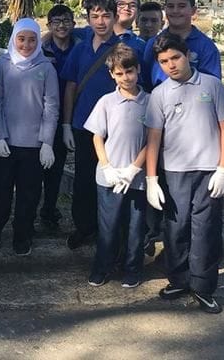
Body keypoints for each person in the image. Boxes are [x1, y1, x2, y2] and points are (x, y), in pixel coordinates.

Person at [145, 33, 224, 314]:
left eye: (175, 57)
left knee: (206, 231)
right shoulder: (160, 94)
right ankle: (179, 280)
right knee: (176, 229)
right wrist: (151, 179)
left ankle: (203, 287)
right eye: (164, 61)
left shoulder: (211, 85)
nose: (171, 65)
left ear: (187, 55)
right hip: (175, 172)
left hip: (209, 170)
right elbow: (153, 138)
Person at [0, 18, 59, 256]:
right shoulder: (2, 65)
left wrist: (47, 142)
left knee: (29, 193)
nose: (26, 44)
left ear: (38, 41)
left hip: (34, 146)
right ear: (14, 38)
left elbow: (51, 106)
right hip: (6, 144)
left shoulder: (46, 68)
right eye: (21, 39)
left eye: (32, 39)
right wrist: (0, 136)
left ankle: (22, 234)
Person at [61, 0, 126, 250]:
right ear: (87, 19)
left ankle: (108, 229)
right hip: (83, 125)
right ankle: (84, 226)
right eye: (95, 16)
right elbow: (70, 86)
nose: (100, 21)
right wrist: (66, 124)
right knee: (84, 179)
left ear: (115, 17)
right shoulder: (80, 48)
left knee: (112, 179)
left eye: (106, 15)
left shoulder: (123, 49)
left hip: (114, 129)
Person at [83, 44, 148, 288]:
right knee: (108, 227)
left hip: (137, 178)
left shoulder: (150, 102)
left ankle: (132, 270)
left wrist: (133, 168)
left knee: (134, 228)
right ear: (112, 75)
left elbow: (152, 141)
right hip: (109, 177)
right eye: (119, 74)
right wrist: (107, 166)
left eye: (129, 72)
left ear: (138, 70)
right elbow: (97, 136)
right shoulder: (106, 102)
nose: (125, 78)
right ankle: (102, 267)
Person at [39, 4, 80, 232]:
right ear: (49, 25)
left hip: (72, 114)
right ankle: (43, 210)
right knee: (43, 167)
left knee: (58, 166)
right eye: (56, 22)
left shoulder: (81, 47)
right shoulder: (41, 48)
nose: (62, 26)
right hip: (45, 115)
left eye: (66, 21)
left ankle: (51, 210)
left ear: (74, 24)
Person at [142, 0, 221, 89]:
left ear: (193, 10)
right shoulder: (153, 44)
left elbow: (212, 87)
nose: (175, 11)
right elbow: (146, 83)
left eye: (181, 6)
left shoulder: (206, 47)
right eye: (170, 6)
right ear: (165, 10)